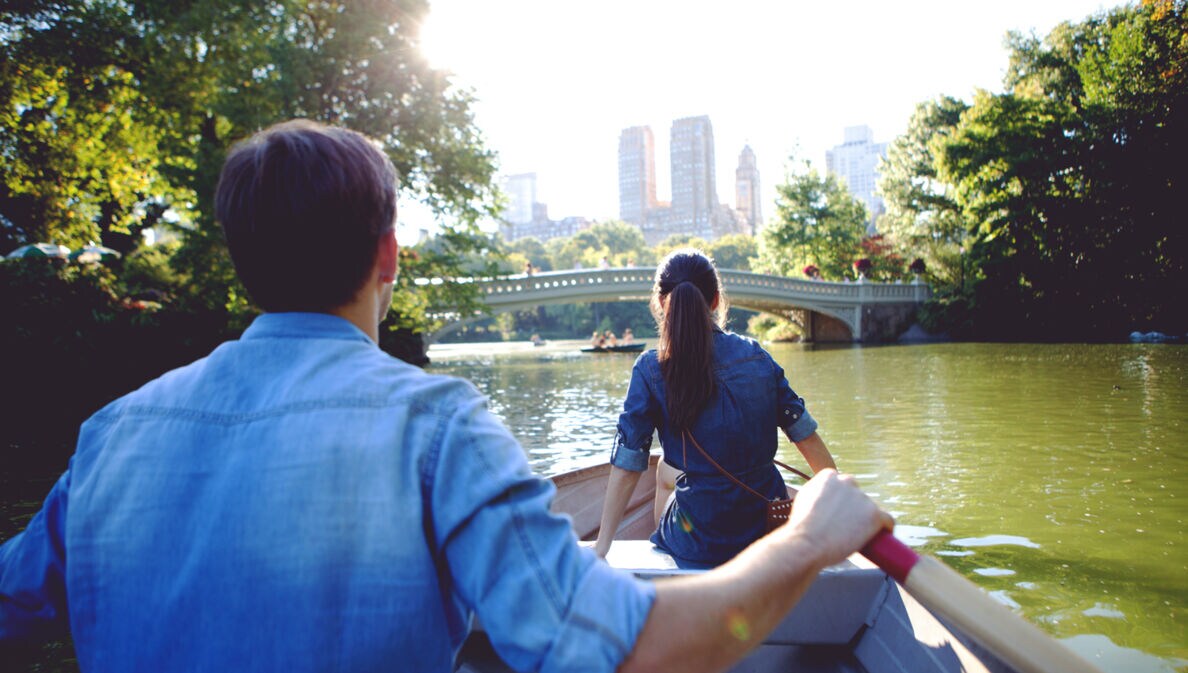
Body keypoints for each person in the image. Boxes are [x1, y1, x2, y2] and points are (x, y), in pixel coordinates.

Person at [0, 121, 890, 672]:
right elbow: (634, 652)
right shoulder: (439, 426)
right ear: (388, 258)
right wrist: (811, 538)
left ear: (242, 262)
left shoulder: (110, 434)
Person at [594, 249, 838, 569]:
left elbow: (628, 464)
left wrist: (602, 547)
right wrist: (840, 509)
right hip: (767, 532)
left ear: (662, 303)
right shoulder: (756, 355)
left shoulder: (650, 369)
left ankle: (668, 555)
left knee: (666, 471)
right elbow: (805, 435)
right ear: (715, 301)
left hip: (700, 543)